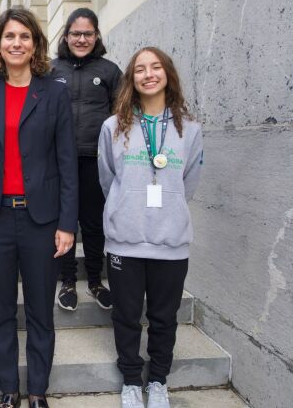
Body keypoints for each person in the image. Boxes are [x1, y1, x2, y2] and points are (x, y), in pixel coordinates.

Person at [0, 8, 78, 408]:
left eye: (24, 37)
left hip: (41, 219)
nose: (17, 43)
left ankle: (38, 391)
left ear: (35, 45)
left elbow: (67, 162)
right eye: (9, 36)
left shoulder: (56, 92)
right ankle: (9, 389)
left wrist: (68, 223)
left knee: (40, 310)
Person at [97, 47, 203, 408]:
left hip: (170, 242)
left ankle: (157, 380)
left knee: (163, 317)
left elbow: (189, 181)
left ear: (167, 74)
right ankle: (130, 380)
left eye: (155, 67)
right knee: (126, 316)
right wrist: (126, 208)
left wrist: (167, 210)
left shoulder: (189, 129)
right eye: (140, 69)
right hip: (125, 242)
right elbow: (108, 178)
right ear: (132, 79)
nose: (148, 74)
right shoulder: (113, 127)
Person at [51, 7, 122, 312]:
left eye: (87, 34)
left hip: (95, 160)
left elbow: (122, 116)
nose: (81, 39)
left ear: (96, 36)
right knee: (65, 222)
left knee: (93, 224)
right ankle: (67, 281)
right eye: (75, 33)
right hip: (59, 161)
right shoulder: (51, 70)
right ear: (66, 36)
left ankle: (95, 280)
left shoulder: (109, 71)